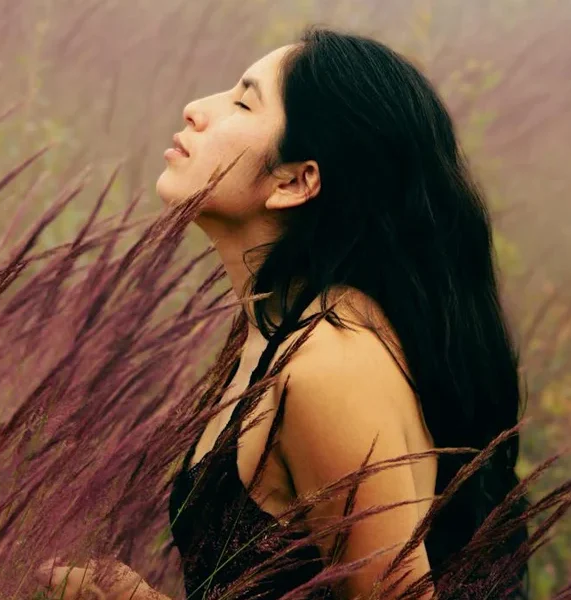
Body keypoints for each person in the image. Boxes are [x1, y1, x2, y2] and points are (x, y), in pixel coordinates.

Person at [37, 25, 529, 600]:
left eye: (245, 101)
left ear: (295, 182)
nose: (197, 109)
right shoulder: (275, 325)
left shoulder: (330, 367)